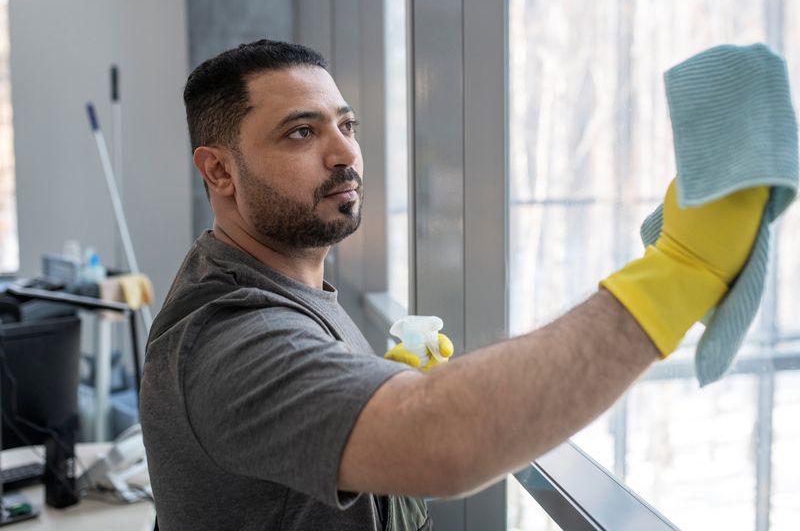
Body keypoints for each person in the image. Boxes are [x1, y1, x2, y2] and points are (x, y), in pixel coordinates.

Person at [140, 39, 767, 531]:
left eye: (347, 126)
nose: (344, 154)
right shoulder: (224, 336)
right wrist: (679, 274)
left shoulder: (284, 284)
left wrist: (371, 393)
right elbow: (441, 444)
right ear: (219, 169)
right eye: (302, 132)